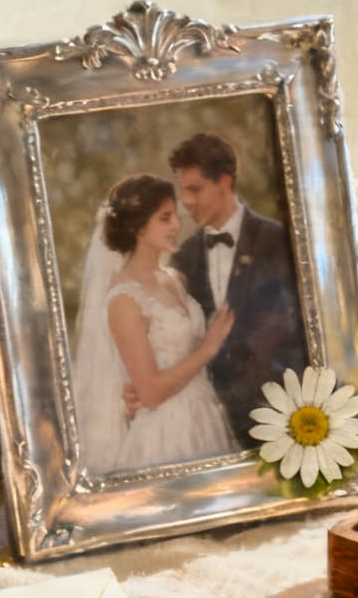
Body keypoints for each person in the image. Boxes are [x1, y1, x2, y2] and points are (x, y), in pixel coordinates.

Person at [70, 174, 237, 475]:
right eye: (165, 218)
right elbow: (149, 392)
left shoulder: (175, 278)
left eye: (174, 215)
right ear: (137, 227)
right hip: (166, 431)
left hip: (204, 415)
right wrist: (209, 347)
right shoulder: (124, 298)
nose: (176, 225)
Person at [159, 132, 310, 449]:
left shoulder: (278, 241)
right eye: (182, 191)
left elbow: (299, 333)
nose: (185, 202)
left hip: (279, 414)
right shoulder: (183, 257)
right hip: (207, 421)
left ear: (224, 182)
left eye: (194, 190)